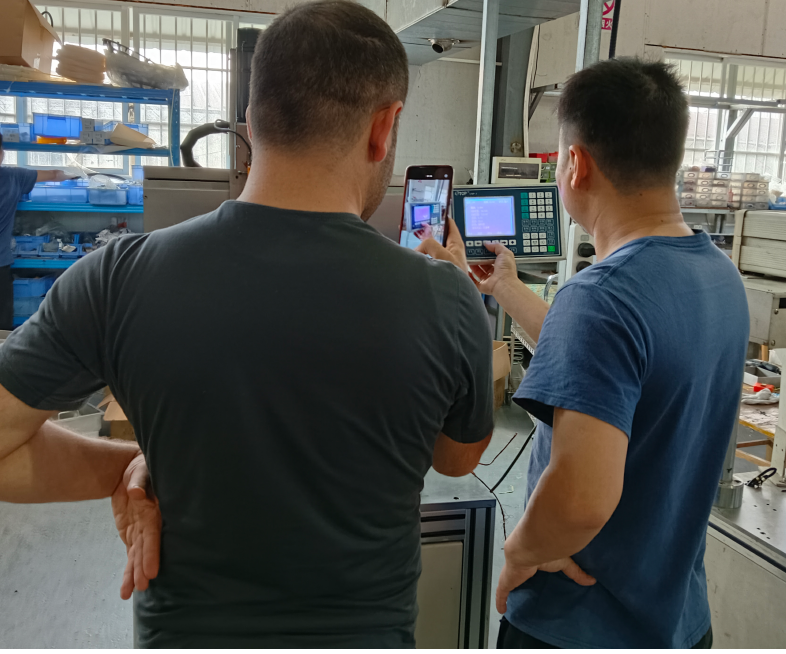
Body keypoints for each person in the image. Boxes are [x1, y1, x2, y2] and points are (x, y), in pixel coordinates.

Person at [0, 2, 495, 648]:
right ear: (384, 128)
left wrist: (137, 465)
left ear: (252, 121)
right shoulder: (445, 298)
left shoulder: (117, 278)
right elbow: (456, 460)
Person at [419, 58, 749, 648]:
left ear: (576, 164)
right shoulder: (718, 275)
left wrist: (522, 550)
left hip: (580, 624)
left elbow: (579, 501)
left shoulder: (600, 297)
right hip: (679, 623)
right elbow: (611, 364)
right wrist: (505, 289)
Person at [0, 136, 74, 329]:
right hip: (0, 264)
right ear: (1, 153)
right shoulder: (13, 177)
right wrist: (75, 174)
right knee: (2, 327)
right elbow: (54, 175)